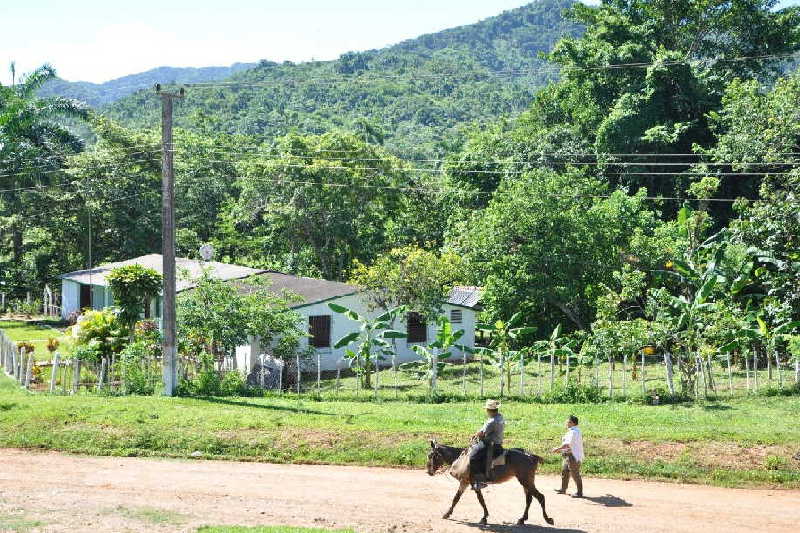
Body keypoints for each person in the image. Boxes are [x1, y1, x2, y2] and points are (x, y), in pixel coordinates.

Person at [469, 399, 505, 490]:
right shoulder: (500, 417)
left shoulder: (491, 421)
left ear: (489, 410)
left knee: (473, 457)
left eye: (486, 409)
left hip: (490, 444)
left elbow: (482, 433)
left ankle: (480, 481)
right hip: (498, 443)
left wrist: (475, 435)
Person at [551, 414, 584, 498]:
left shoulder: (573, 432)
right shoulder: (576, 430)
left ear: (572, 423)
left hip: (572, 456)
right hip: (569, 455)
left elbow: (567, 444)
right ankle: (563, 489)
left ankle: (579, 493)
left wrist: (557, 449)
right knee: (565, 471)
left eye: (568, 421)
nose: (566, 423)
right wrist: (561, 450)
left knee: (575, 474)